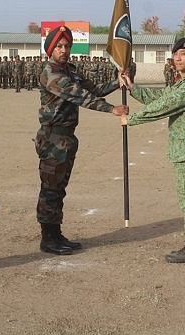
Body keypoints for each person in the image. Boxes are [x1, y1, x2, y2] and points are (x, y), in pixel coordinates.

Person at [35, 25, 129, 255]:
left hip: (66, 139)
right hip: (53, 138)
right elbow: (79, 96)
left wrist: (117, 82)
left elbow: (93, 90)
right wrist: (111, 109)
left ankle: (56, 234)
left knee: (60, 188)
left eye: (67, 46)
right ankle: (48, 237)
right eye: (59, 46)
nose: (64, 50)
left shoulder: (71, 71)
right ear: (50, 49)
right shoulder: (51, 74)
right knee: (50, 189)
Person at [119, 37, 185, 264]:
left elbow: (164, 106)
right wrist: (133, 88)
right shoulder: (183, 81)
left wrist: (131, 119)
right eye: (176, 54)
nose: (177, 58)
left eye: (183, 54)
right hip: (184, 150)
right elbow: (162, 96)